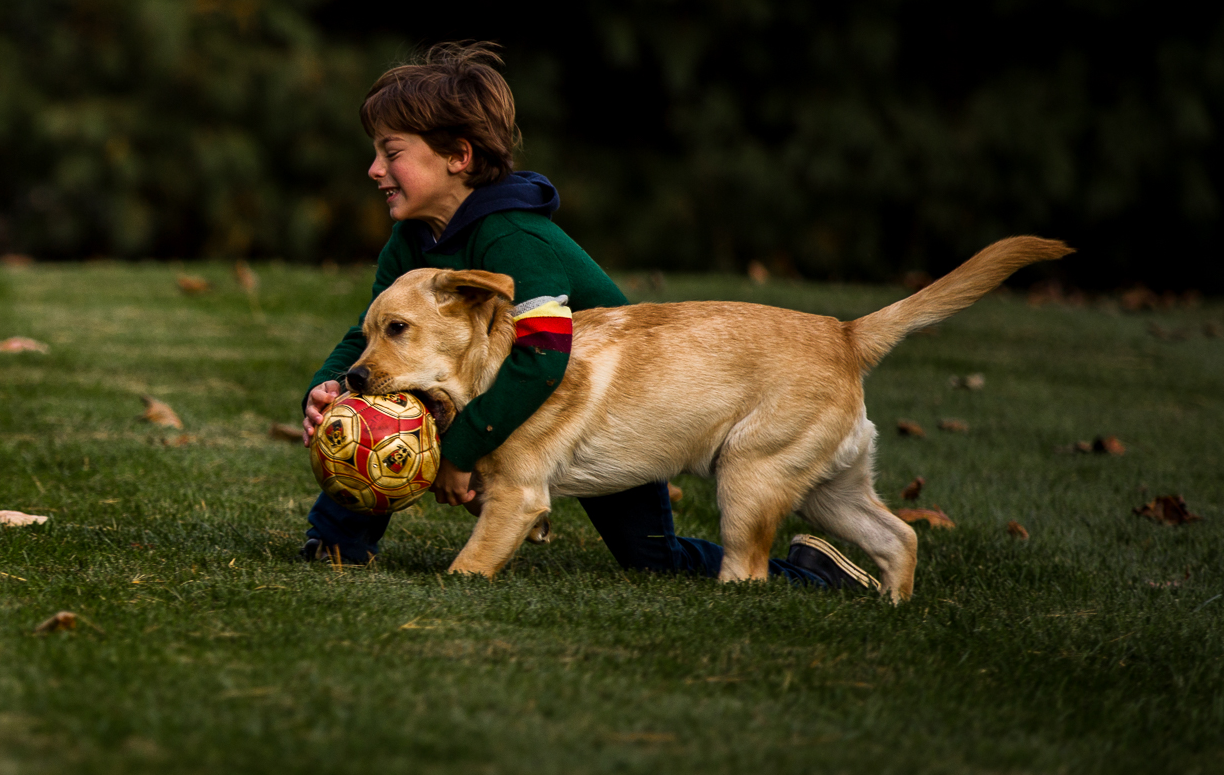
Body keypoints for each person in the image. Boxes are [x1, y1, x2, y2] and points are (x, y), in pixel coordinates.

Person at [297, 42, 868, 590]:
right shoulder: (409, 243)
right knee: (377, 412)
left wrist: (463, 452)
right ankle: (334, 543)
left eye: (390, 152)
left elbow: (545, 355)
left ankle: (813, 576)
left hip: (619, 408)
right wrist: (327, 389)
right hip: (511, 398)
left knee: (651, 559)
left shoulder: (517, 238)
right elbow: (367, 333)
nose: (373, 169)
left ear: (457, 156)